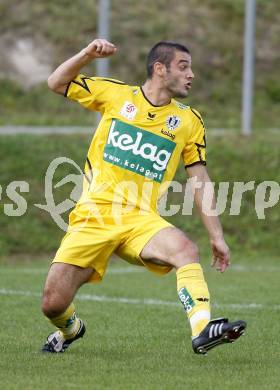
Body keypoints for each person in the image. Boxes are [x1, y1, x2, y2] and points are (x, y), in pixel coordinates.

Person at [41, 38, 246, 355]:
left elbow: (200, 179)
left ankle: (202, 329)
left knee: (185, 249)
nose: (191, 74)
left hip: (140, 220)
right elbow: (56, 82)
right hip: (94, 216)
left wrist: (216, 236)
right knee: (52, 304)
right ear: (159, 69)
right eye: (183, 66)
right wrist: (86, 54)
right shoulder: (116, 95)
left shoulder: (189, 121)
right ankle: (71, 329)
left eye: (191, 67)